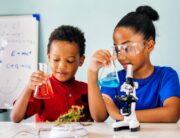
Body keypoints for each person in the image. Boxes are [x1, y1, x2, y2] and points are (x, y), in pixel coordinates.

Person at [88, 5, 180, 123]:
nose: (121, 56)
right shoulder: (114, 79)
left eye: (127, 48)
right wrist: (92, 72)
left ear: (149, 46)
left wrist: (121, 116)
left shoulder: (166, 76)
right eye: (117, 49)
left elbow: (172, 114)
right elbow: (99, 117)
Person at [10, 25, 92, 122]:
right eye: (56, 59)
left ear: (81, 61)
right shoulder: (42, 88)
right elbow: (15, 118)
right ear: (49, 58)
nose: (61, 66)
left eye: (70, 60)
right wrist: (29, 87)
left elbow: (99, 119)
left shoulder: (86, 90)